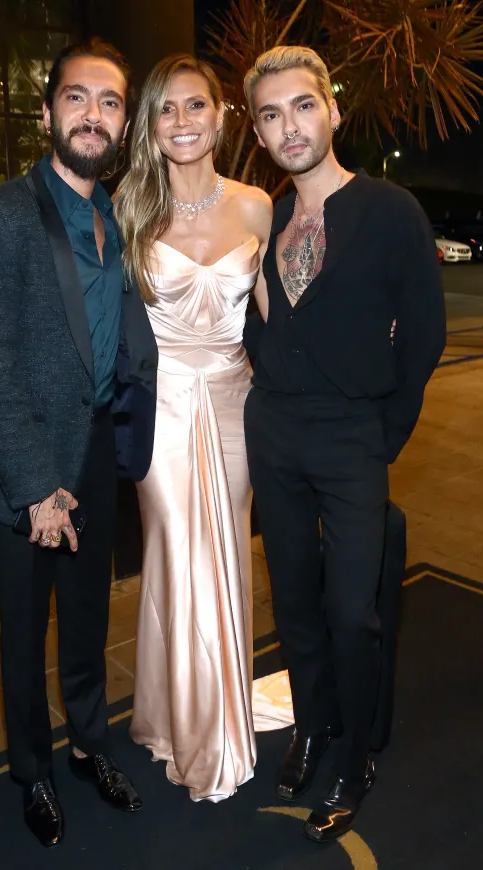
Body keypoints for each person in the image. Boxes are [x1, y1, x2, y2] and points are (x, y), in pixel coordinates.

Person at [0, 38, 157, 848]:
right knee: (23, 634)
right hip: (26, 469)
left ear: (123, 123)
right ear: (46, 113)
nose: (93, 115)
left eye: (109, 102)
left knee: (86, 619)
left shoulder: (120, 218)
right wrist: (37, 487)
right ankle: (32, 769)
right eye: (77, 97)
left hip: (97, 449)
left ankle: (88, 745)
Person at [242, 46, 446, 842]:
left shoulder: (390, 210)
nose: (289, 126)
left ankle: (356, 754)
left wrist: (381, 434)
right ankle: (314, 720)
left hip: (353, 433)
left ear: (332, 110)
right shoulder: (264, 217)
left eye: (302, 105)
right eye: (271, 114)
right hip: (274, 430)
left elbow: (424, 335)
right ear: (258, 131)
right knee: (294, 601)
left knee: (351, 611)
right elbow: (256, 321)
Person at [115, 54, 290, 804]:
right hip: (161, 410)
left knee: (228, 554)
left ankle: (217, 713)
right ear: (149, 126)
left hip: (235, 402)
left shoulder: (256, 207)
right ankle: (186, 723)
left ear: (221, 116)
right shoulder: (127, 209)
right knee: (177, 550)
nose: (182, 121)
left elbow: (278, 319)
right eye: (166, 108)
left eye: (196, 105)